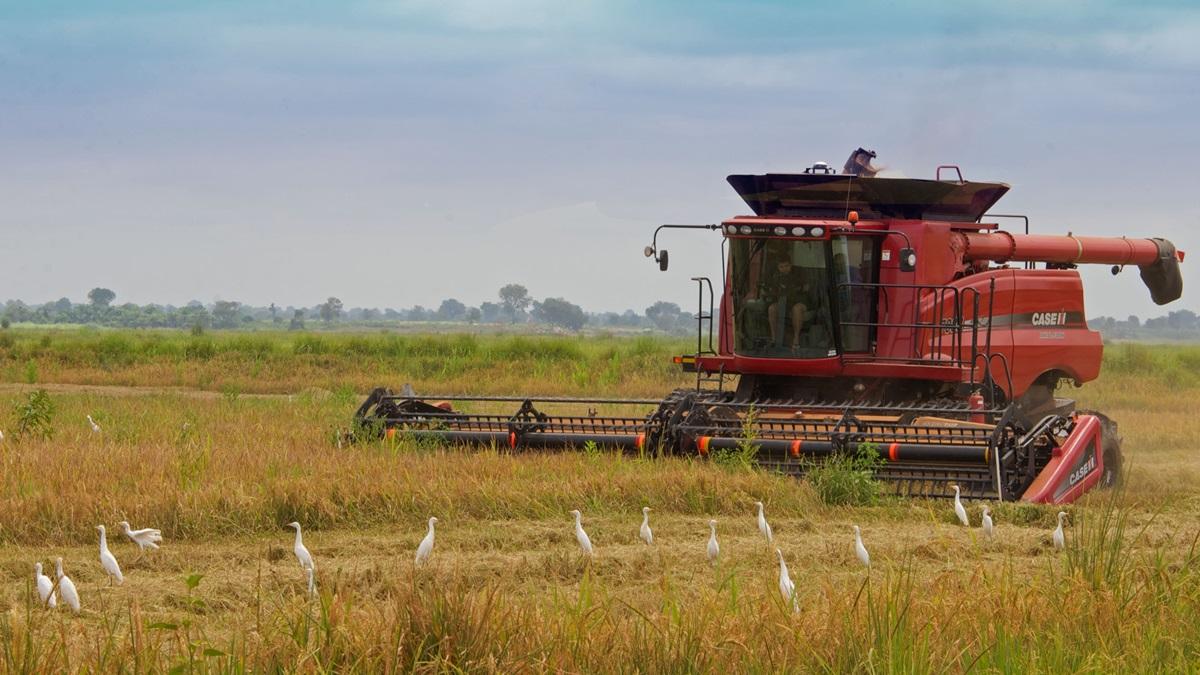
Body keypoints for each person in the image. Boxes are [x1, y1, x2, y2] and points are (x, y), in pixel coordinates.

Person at [763, 258, 811, 350]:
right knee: (772, 308)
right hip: (784, 302)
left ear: (791, 265)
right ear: (778, 268)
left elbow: (806, 288)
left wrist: (796, 289)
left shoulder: (799, 274)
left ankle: (796, 340)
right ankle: (774, 339)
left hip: (800, 302)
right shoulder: (775, 277)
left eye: (786, 266)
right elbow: (771, 290)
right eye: (781, 267)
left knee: (796, 309)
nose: (784, 268)